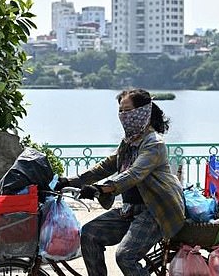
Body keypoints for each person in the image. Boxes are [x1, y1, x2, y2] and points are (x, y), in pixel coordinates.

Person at [54, 88, 185, 276]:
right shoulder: (129, 142)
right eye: (120, 111)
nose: (123, 116)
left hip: (155, 211)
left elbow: (134, 174)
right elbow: (106, 166)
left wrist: (102, 189)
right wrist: (69, 181)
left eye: (127, 111)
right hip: (130, 209)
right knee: (89, 234)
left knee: (125, 256)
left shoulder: (154, 143)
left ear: (142, 112)